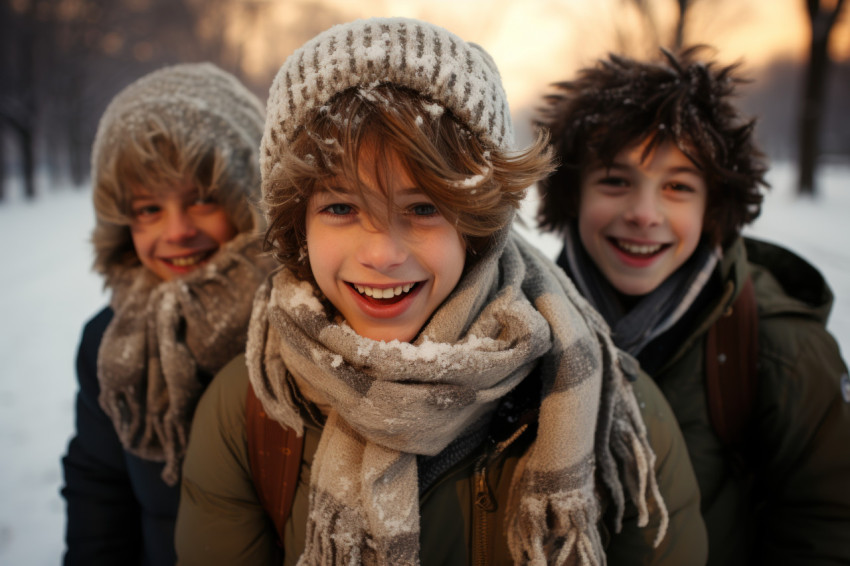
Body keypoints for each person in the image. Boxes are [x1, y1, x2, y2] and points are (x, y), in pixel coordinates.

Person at [175, 18, 707, 565]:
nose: (382, 254)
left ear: (478, 225)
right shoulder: (251, 408)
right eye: (341, 208)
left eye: (423, 208)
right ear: (298, 225)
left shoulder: (605, 401)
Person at [534, 46, 850, 566]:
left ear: (714, 207)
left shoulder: (781, 352)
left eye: (678, 186)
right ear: (572, 195)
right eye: (615, 180)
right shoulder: (521, 328)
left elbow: (826, 530)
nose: (643, 213)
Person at [61, 62, 273, 565]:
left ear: (252, 198)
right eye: (148, 210)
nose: (176, 231)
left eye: (201, 200)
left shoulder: (302, 319)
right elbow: (100, 496)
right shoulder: (112, 342)